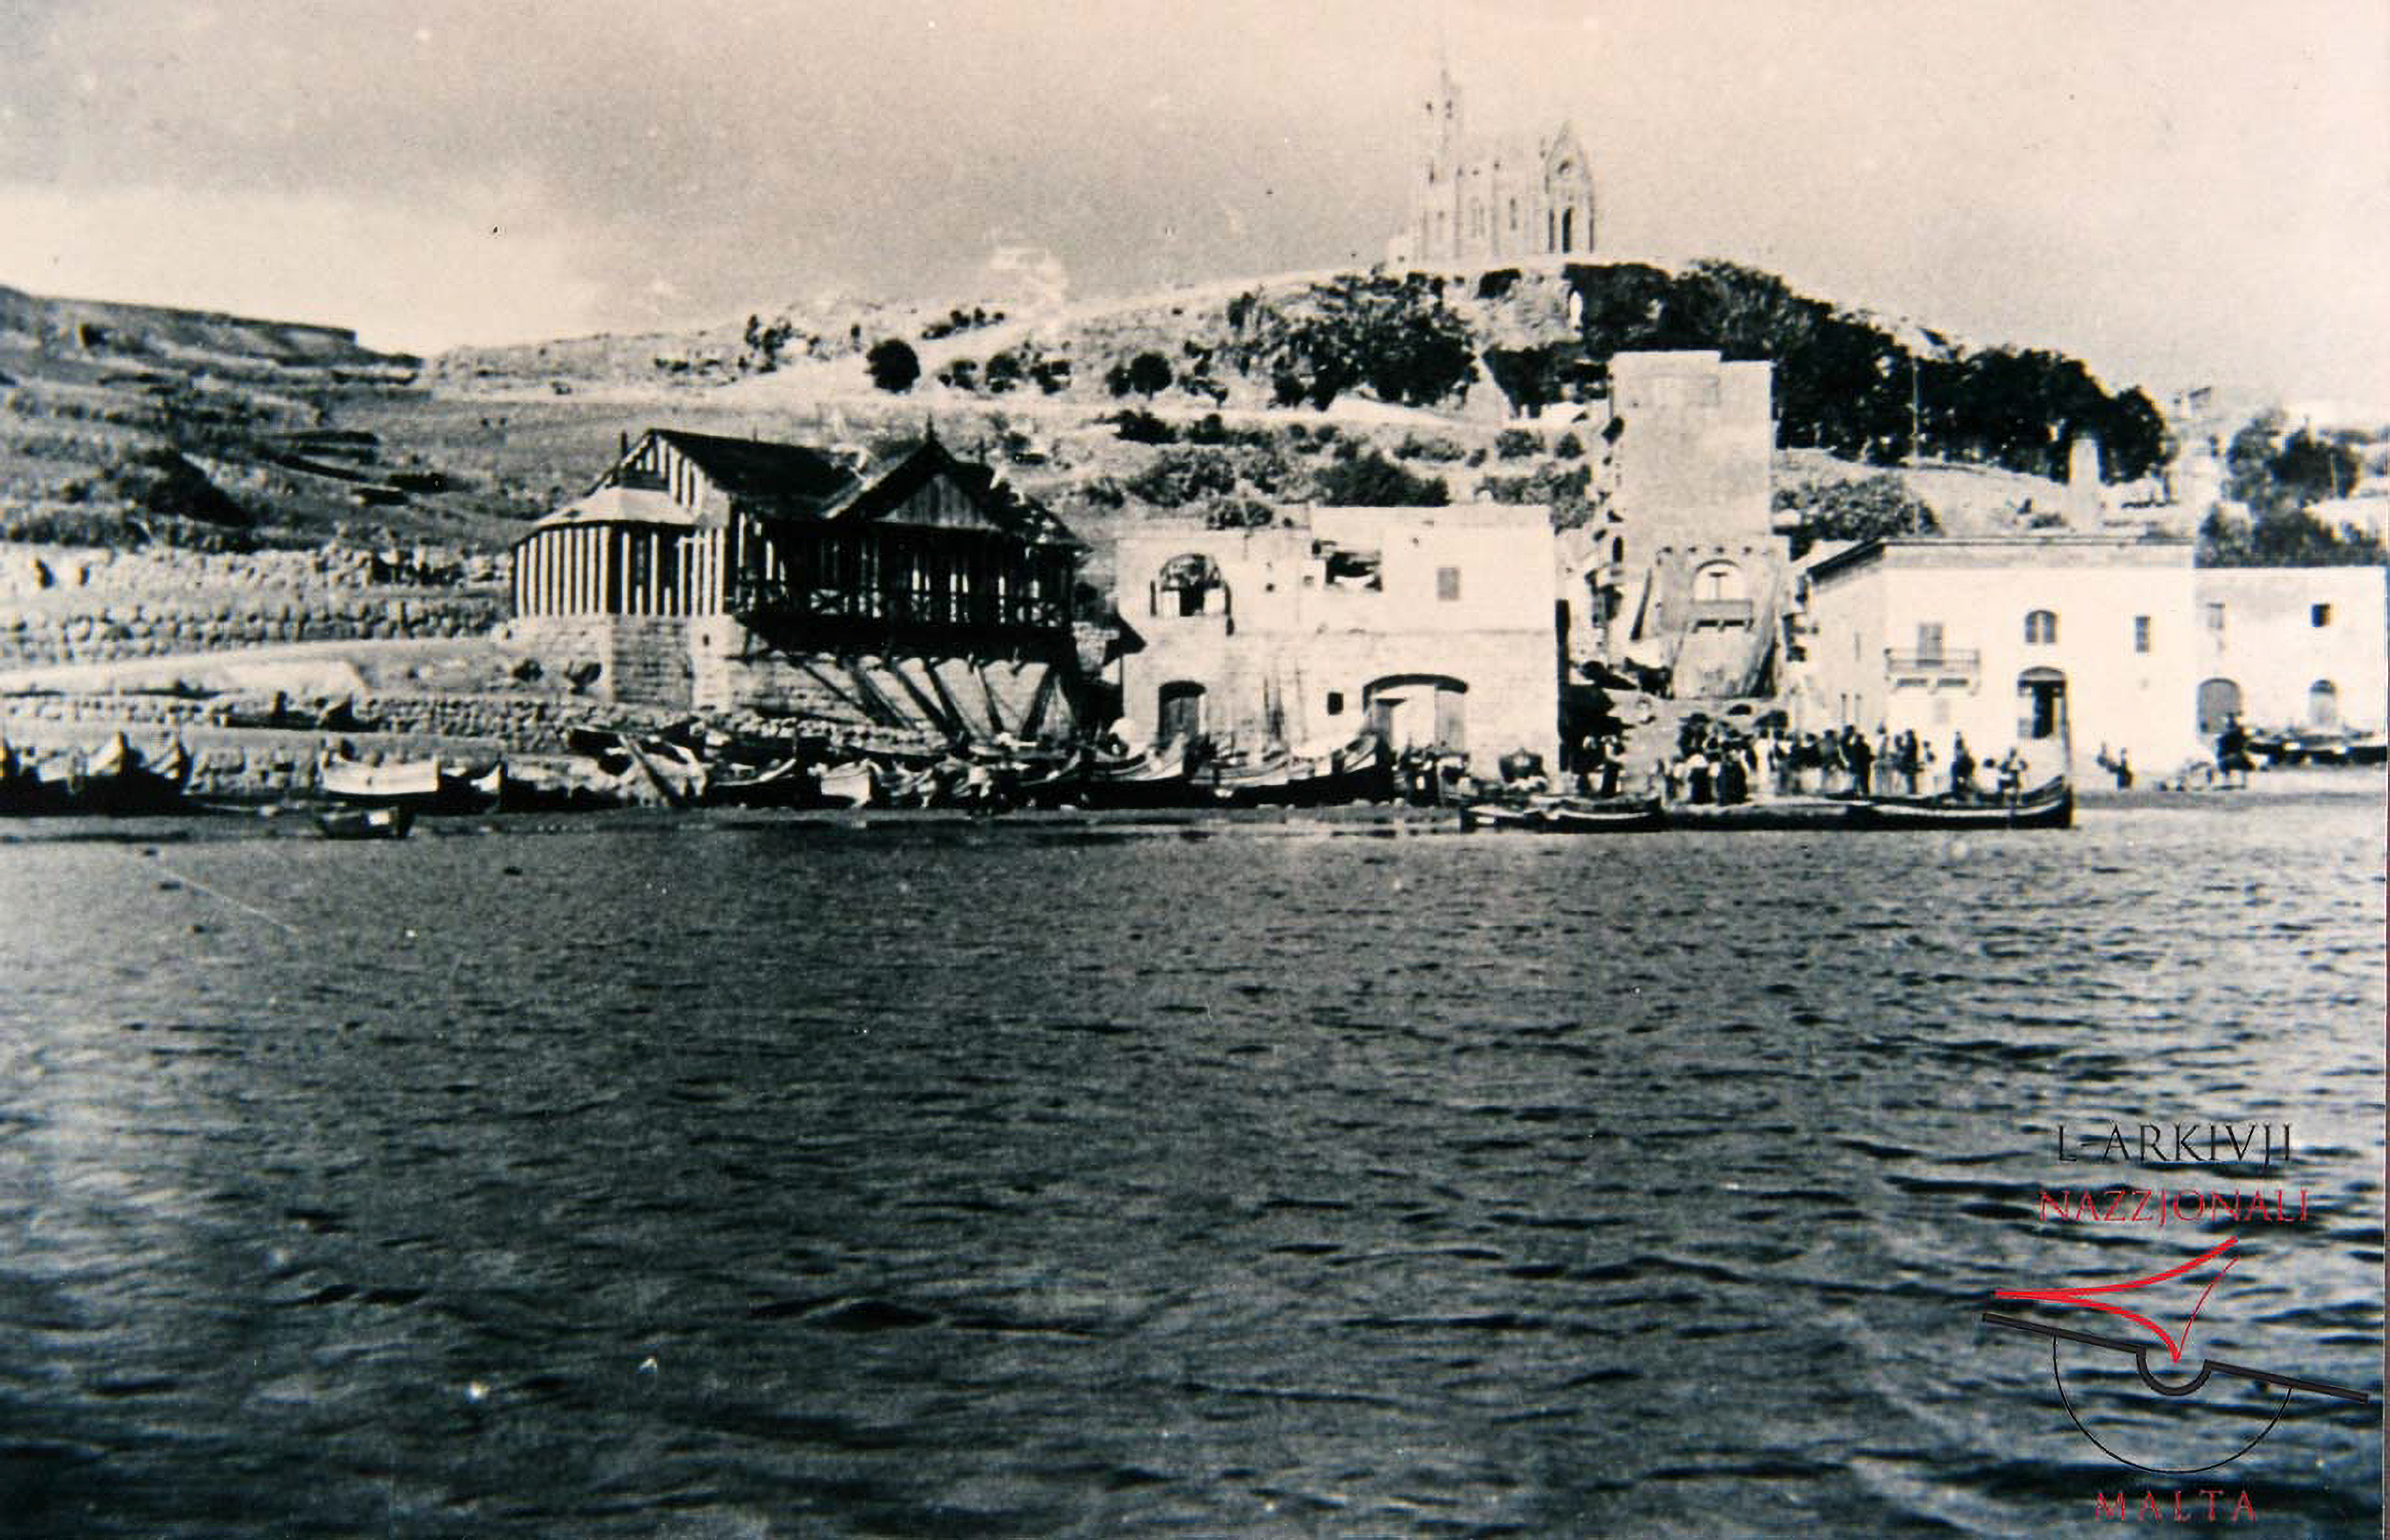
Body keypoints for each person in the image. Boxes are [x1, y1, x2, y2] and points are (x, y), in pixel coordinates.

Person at [2216, 714, 2254, 790]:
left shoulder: (2224, 737)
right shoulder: (2241, 735)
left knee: (2222, 762)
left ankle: (2226, 781)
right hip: (2241, 759)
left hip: (2229, 759)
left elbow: (2220, 749)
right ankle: (2244, 782)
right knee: (2244, 762)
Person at [1948, 734, 1976, 800]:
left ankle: (1963, 787)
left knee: (1962, 778)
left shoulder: (1969, 760)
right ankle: (1957, 793)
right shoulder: (1957, 762)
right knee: (1956, 780)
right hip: (1959, 768)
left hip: (1963, 767)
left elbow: (1971, 767)